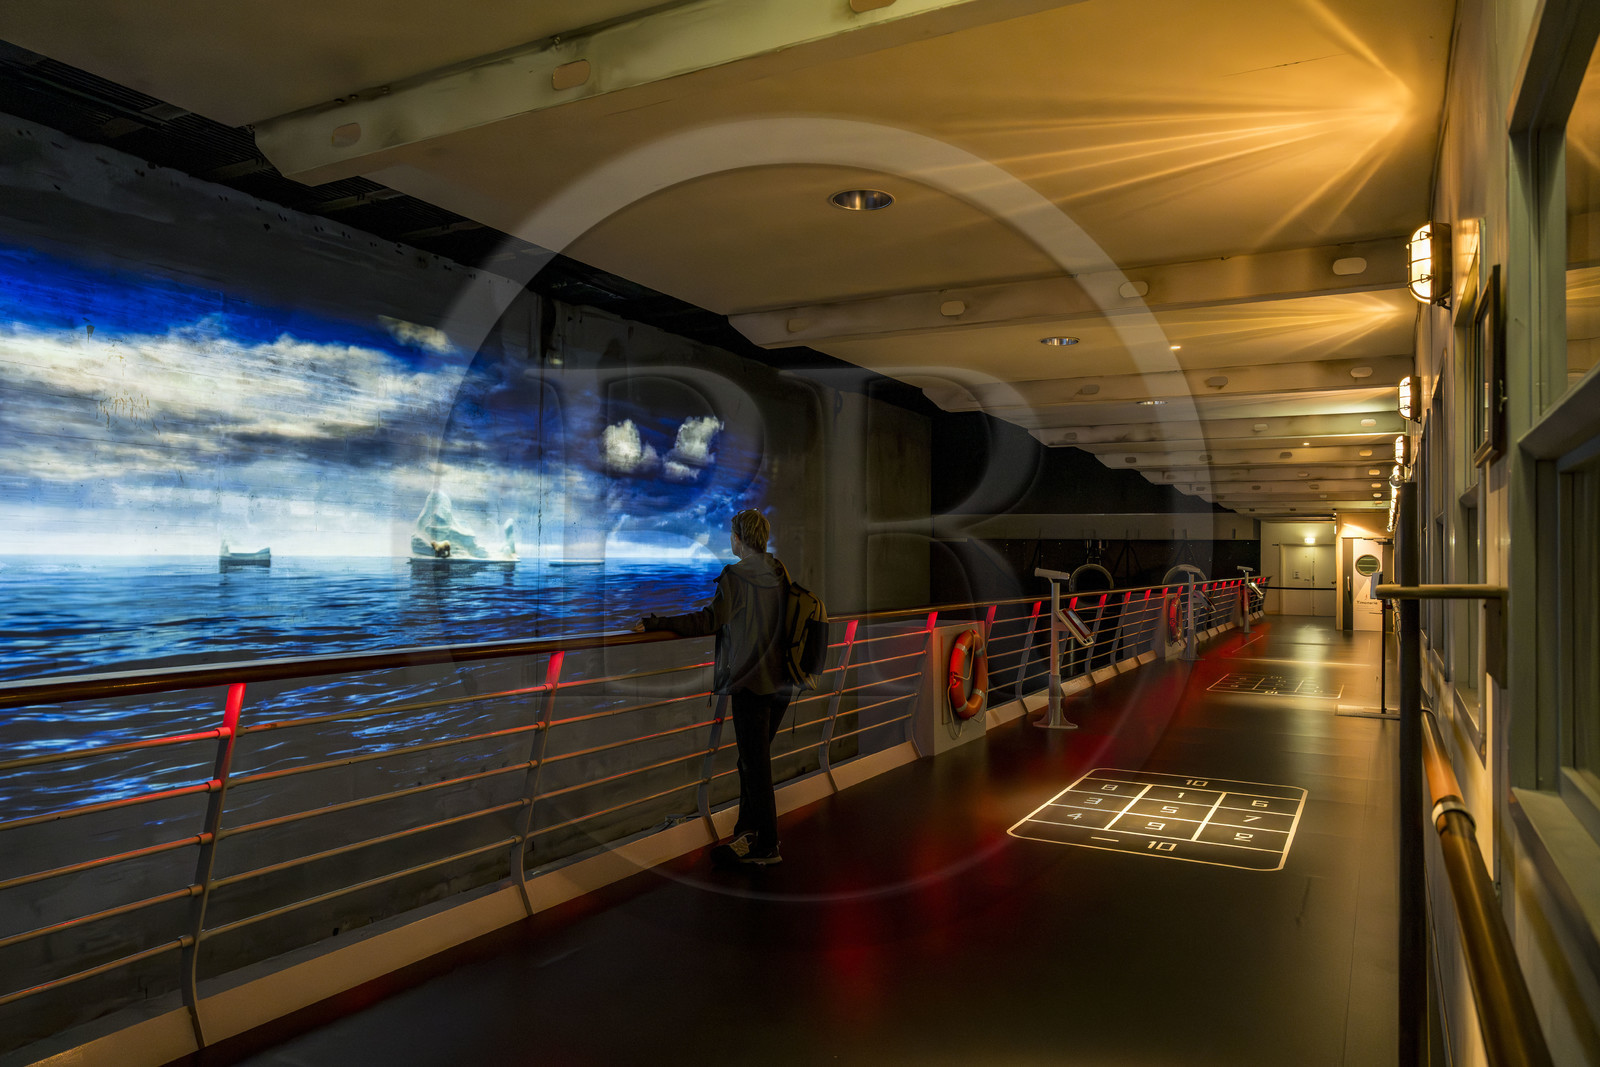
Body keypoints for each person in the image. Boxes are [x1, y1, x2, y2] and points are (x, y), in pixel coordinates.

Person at [634, 509, 791, 866]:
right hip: (782, 683)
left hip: (752, 684)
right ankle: (746, 834)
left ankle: (767, 846)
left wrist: (656, 622)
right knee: (751, 762)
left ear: (739, 538)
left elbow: (708, 620)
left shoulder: (736, 576)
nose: (730, 539)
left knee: (756, 766)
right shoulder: (779, 572)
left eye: (731, 534)